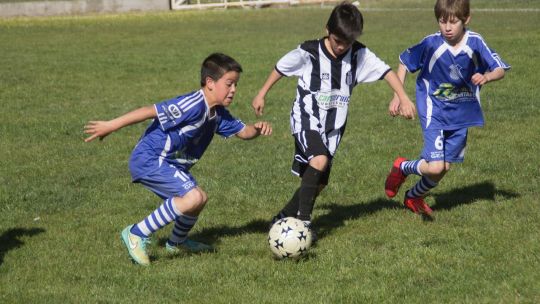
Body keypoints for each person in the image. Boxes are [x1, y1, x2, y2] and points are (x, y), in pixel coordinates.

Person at [84, 53, 272, 266]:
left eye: (236, 85)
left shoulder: (218, 113)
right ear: (210, 83)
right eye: (229, 84)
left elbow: (243, 132)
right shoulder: (192, 104)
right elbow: (149, 111)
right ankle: (136, 233)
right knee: (191, 197)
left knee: (200, 198)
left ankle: (176, 243)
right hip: (151, 158)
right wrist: (111, 125)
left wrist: (256, 129)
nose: (234, 90)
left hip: (169, 162)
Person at [252, 2, 416, 233]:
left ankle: (282, 217)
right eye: (338, 41)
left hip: (334, 128)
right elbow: (281, 67)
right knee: (318, 160)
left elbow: (387, 72)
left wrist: (403, 97)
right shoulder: (309, 51)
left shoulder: (359, 54)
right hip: (306, 116)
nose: (341, 47)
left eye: (347, 42)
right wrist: (261, 93)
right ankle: (303, 225)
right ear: (327, 30)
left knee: (318, 183)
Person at [384, 0, 510, 218]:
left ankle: (413, 196)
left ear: (466, 20)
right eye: (442, 22)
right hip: (434, 109)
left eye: (453, 22)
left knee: (443, 168)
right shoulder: (432, 44)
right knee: (434, 167)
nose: (447, 28)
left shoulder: (476, 42)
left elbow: (500, 68)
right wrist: (398, 96)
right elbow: (405, 61)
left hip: (461, 112)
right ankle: (402, 167)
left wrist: (487, 76)